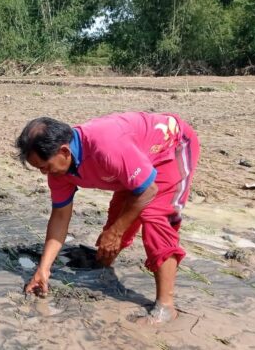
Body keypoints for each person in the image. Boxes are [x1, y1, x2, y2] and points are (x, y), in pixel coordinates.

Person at [15, 112, 200, 325]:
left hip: (169, 146)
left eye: (44, 166)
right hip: (133, 163)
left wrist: (116, 231)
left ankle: (166, 306)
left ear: (64, 151)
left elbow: (148, 189)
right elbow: (59, 217)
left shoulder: (106, 147)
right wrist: (43, 269)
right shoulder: (59, 172)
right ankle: (103, 265)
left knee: (155, 218)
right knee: (118, 218)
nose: (43, 173)